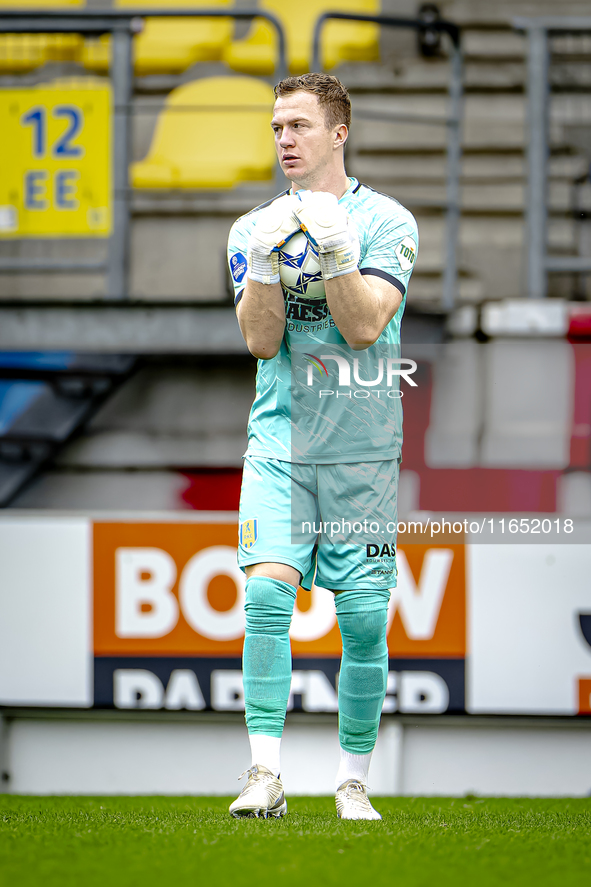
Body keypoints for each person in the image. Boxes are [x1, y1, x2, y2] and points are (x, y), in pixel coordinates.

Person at [226, 73, 418, 820]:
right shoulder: (253, 228)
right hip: (279, 445)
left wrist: (336, 252)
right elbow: (260, 338)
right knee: (267, 595)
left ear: (338, 132)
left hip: (361, 458)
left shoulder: (389, 222)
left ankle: (350, 780)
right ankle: (264, 773)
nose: (284, 140)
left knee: (364, 619)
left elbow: (367, 327)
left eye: (299, 126)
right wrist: (270, 266)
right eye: (277, 127)